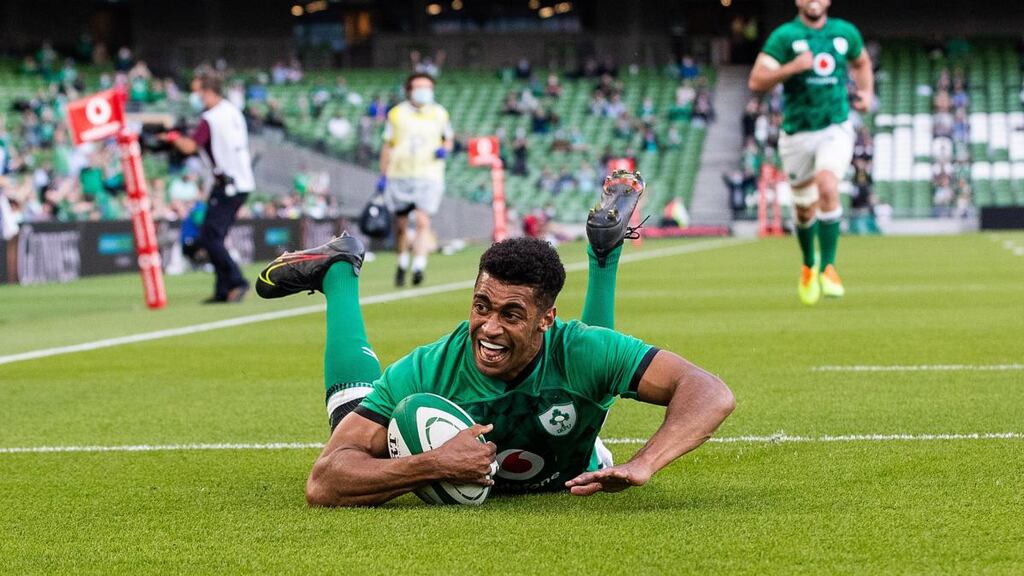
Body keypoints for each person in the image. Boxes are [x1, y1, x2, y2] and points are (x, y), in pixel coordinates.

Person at [254, 171, 735, 506]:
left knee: (592, 364)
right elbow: (324, 481)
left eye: (511, 314)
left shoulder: (577, 347)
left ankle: (603, 258)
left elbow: (710, 391)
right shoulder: (426, 372)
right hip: (505, 432)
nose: (488, 327)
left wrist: (646, 463)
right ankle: (340, 271)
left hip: (578, 438)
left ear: (546, 319)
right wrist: (433, 465)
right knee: (348, 414)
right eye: (481, 306)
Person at [748, 0, 873, 305]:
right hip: (796, 134)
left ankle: (829, 267)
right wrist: (792, 67)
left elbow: (862, 62)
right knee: (804, 210)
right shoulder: (785, 36)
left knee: (828, 184)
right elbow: (756, 81)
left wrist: (867, 91)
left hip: (835, 126)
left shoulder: (845, 32)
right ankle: (809, 264)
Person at [166, 73, 255, 303]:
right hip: (241, 182)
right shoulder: (232, 111)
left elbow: (189, 146)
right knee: (214, 236)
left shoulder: (211, 118)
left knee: (210, 238)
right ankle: (223, 289)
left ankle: (236, 281)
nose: (197, 98)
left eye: (198, 92)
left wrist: (172, 136)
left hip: (227, 185)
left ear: (208, 91)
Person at [377, 73, 453, 288]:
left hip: (429, 175)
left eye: (428, 87)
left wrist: (443, 150)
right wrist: (383, 174)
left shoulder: (439, 113)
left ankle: (419, 265)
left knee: (422, 221)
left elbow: (448, 139)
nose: (424, 91)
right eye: (419, 87)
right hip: (399, 174)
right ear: (409, 90)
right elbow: (388, 144)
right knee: (401, 225)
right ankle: (402, 263)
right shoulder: (396, 114)